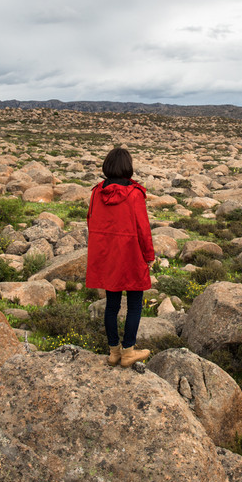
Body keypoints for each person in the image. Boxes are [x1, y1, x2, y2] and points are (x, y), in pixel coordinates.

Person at [85, 147, 156, 367]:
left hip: (108, 256)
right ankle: (128, 352)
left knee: (112, 306)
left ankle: (113, 352)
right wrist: (149, 256)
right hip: (131, 255)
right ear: (128, 167)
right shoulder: (135, 194)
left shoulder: (97, 192)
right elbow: (143, 229)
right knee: (135, 305)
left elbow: (91, 222)